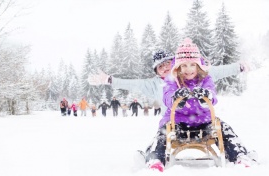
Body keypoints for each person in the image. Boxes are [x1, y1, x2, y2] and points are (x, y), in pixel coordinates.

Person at [145, 38, 257, 172]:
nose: (188, 69)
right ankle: (155, 159)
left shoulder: (205, 79)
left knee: (223, 128)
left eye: (192, 65)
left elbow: (213, 94)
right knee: (163, 133)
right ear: (178, 67)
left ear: (198, 65)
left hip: (204, 122)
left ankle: (239, 155)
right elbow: (167, 96)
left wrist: (207, 96)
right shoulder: (172, 80)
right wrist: (176, 98)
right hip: (177, 124)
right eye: (184, 66)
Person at [88, 51, 248, 116]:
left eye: (167, 63)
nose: (165, 68)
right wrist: (110, 80)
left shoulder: (189, 73)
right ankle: (154, 159)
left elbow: (217, 71)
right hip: (171, 122)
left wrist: (238, 67)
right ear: (156, 71)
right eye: (160, 66)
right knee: (161, 137)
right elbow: (132, 84)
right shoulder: (152, 85)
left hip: (199, 117)